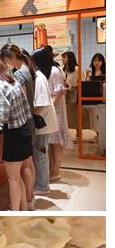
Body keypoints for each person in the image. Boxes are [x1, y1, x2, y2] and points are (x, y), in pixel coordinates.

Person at [0, 53, 33, 210]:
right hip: (24, 130)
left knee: (13, 179)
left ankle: (15, 213)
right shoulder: (12, 80)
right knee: (17, 177)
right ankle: (23, 209)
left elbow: (1, 116)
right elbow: (26, 107)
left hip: (14, 135)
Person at [0, 44, 38, 209]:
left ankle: (27, 199)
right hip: (27, 119)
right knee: (28, 163)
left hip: (20, 121)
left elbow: (18, 101)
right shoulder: (28, 69)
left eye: (4, 60)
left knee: (23, 168)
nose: (5, 64)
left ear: (11, 58)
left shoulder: (19, 74)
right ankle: (29, 199)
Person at [38, 47, 71, 181]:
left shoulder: (54, 70)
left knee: (56, 143)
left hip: (56, 111)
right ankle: (52, 169)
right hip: (50, 111)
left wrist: (50, 107)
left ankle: (56, 171)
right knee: (51, 142)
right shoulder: (47, 70)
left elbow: (59, 92)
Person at [31, 47, 59, 195]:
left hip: (43, 124)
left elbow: (41, 104)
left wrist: (29, 115)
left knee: (40, 154)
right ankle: (41, 183)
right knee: (41, 153)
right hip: (44, 122)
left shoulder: (39, 77)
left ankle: (42, 186)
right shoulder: (41, 75)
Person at [61, 51, 80, 130]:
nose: (62, 59)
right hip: (65, 95)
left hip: (74, 95)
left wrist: (72, 86)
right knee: (68, 115)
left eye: (64, 57)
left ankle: (77, 132)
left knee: (75, 115)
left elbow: (81, 82)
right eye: (62, 57)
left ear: (70, 58)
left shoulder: (76, 69)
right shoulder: (63, 70)